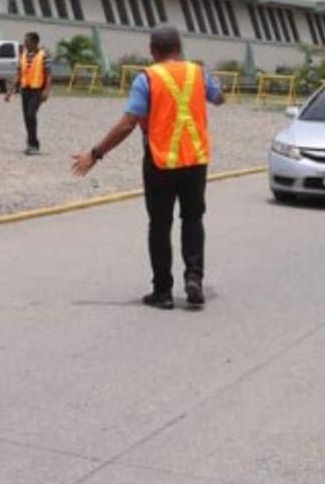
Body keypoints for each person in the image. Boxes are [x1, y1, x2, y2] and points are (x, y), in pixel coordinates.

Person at [71, 24, 225, 309]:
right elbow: (219, 98)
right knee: (192, 220)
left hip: (159, 162)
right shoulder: (198, 73)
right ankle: (194, 278)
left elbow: (129, 122)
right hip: (194, 161)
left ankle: (163, 291)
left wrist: (96, 153)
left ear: (152, 51)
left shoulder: (147, 78)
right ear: (179, 48)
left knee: (160, 224)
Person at [5, 32, 52, 155]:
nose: (25, 43)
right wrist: (10, 91)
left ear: (35, 42)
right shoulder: (24, 54)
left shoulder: (44, 54)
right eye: (25, 41)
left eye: (27, 41)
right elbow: (19, 73)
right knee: (26, 117)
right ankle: (31, 143)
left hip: (37, 90)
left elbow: (49, 74)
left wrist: (47, 90)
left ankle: (34, 145)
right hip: (25, 90)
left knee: (31, 114)